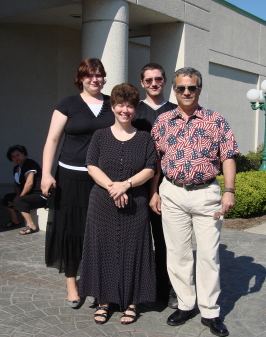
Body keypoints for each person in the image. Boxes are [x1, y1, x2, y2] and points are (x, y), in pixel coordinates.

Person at [150, 67, 239, 337]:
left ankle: (210, 311)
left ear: (199, 89)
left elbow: (229, 156)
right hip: (173, 193)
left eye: (192, 88)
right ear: (174, 90)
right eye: (181, 88)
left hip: (206, 194)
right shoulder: (163, 121)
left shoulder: (216, 120)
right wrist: (154, 191)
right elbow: (155, 161)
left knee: (209, 255)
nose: (186, 92)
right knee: (177, 254)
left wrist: (230, 190)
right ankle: (186, 304)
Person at [78, 83, 157, 325]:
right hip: (102, 203)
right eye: (120, 104)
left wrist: (126, 185)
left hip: (136, 203)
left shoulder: (144, 138)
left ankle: (132, 301)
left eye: (130, 106)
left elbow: (150, 169)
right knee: (104, 249)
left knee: (134, 251)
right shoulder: (100, 136)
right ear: (112, 106)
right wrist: (114, 187)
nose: (125, 110)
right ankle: (104, 300)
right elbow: (92, 166)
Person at [41, 58, 114, 309]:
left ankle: (97, 282)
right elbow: (52, 140)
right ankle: (72, 282)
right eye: (89, 75)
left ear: (104, 77)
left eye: (99, 75)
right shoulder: (68, 104)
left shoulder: (111, 105)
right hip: (70, 177)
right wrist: (46, 174)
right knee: (72, 231)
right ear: (80, 78)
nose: (95, 79)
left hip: (102, 180)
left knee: (99, 232)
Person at [132, 63, 178, 308]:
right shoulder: (133, 111)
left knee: (164, 241)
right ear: (142, 83)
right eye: (148, 80)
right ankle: (137, 290)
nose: (153, 84)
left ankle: (166, 290)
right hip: (136, 186)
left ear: (165, 80)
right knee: (136, 241)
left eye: (157, 79)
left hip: (166, 186)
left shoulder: (175, 110)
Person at [1, 145, 46, 234]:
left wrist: (20, 197)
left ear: (23, 154)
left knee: (20, 201)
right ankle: (15, 221)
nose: (16, 158)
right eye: (13, 157)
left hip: (39, 195)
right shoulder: (16, 168)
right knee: (7, 198)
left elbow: (29, 184)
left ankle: (31, 225)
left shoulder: (29, 164)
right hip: (28, 194)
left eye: (18, 155)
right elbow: (16, 185)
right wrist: (18, 194)